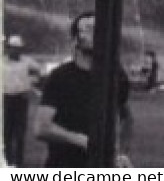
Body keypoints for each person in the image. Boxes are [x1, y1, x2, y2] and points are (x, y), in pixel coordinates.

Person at [34, 12, 133, 168]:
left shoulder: (115, 75)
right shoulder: (60, 77)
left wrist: (121, 153)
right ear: (75, 40)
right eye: (88, 29)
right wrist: (79, 139)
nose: (96, 33)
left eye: (99, 29)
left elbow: (126, 116)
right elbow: (41, 128)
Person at [3, 34, 41, 166]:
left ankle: (19, 163)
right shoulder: (2, 61)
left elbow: (38, 72)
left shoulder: (27, 61)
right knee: (6, 132)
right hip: (6, 99)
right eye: (12, 48)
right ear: (8, 48)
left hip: (21, 98)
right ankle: (8, 161)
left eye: (17, 48)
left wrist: (31, 82)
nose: (15, 50)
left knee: (20, 132)